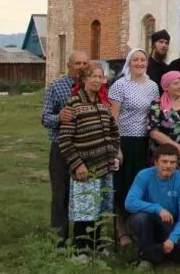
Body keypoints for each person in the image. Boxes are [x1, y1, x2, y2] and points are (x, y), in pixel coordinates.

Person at [59, 62, 122, 259]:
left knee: (100, 207)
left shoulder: (103, 105)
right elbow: (65, 141)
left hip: (104, 166)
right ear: (84, 79)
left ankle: (97, 244)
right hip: (85, 169)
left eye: (100, 77)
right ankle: (81, 249)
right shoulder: (74, 104)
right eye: (92, 76)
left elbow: (114, 132)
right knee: (84, 210)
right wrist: (77, 164)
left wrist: (113, 152)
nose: (96, 80)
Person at [110, 48, 160, 246]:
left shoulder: (153, 86)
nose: (139, 63)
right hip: (125, 140)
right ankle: (121, 229)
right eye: (135, 60)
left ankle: (138, 227)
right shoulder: (120, 85)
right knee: (123, 184)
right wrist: (116, 146)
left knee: (142, 186)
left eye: (142, 60)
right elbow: (113, 119)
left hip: (145, 142)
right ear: (129, 63)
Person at [41, 49, 91, 245]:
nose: (81, 68)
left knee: (84, 194)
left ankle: (83, 242)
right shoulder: (57, 87)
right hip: (61, 148)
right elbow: (45, 117)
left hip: (86, 148)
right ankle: (59, 241)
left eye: (85, 63)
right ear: (69, 66)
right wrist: (59, 117)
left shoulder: (93, 87)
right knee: (60, 194)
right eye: (77, 64)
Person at [124, 144, 180, 270]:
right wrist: (157, 208)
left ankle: (154, 251)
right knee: (140, 218)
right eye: (164, 161)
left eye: (173, 162)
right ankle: (145, 259)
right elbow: (130, 203)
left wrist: (172, 239)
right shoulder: (143, 175)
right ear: (155, 162)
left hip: (170, 223)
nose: (168, 166)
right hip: (147, 221)